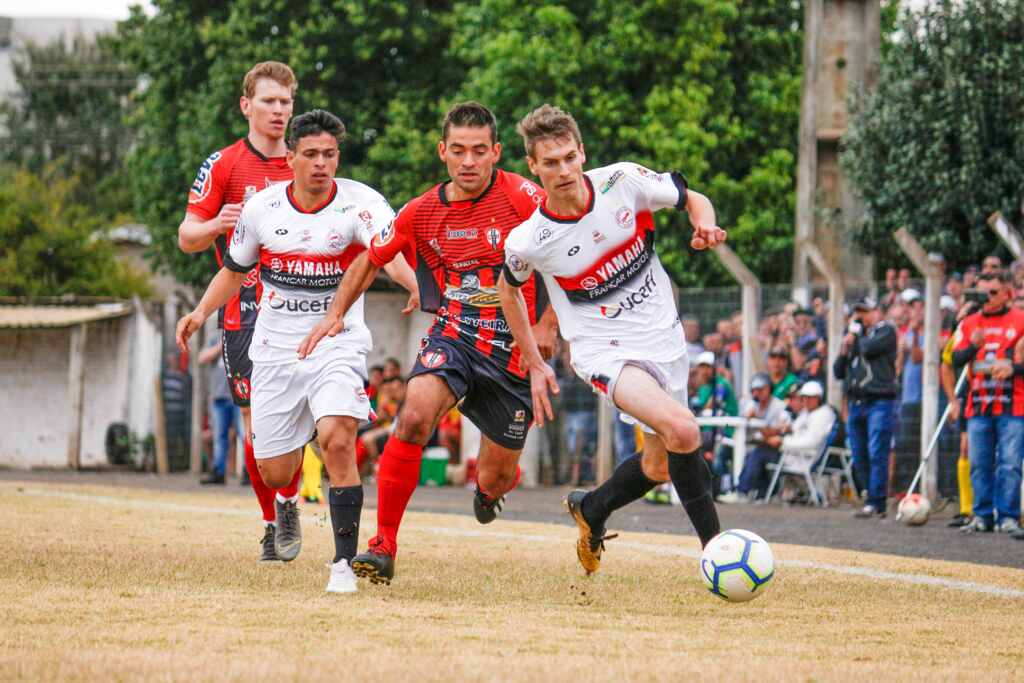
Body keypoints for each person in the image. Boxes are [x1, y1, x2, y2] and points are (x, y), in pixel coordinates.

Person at [298, 102, 558, 585]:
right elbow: (371, 258)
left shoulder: (526, 198)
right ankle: (383, 547)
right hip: (455, 334)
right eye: (458, 150)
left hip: (513, 349)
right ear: (443, 152)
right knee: (413, 416)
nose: (468, 161)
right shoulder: (422, 211)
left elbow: (569, 248)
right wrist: (334, 314)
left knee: (494, 475)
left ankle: (492, 488)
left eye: (480, 151)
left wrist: (547, 323)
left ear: (497, 153)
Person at [176, 109, 417, 593]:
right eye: (310, 154)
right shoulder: (261, 209)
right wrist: (200, 313)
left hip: (337, 341)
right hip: (275, 347)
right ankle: (287, 502)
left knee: (339, 439)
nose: (321, 163)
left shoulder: (362, 204)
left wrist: (417, 288)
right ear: (291, 159)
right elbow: (234, 269)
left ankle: (343, 566)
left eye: (329, 154)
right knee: (275, 468)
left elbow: (387, 255)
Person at [497, 103, 727, 575]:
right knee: (683, 430)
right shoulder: (529, 240)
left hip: (665, 339)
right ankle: (719, 553)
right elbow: (508, 288)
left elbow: (692, 197)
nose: (562, 170)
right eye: (550, 162)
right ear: (533, 167)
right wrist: (534, 359)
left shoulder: (621, 183)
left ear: (581, 153)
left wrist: (702, 222)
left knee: (661, 465)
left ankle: (593, 507)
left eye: (568, 157)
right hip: (604, 352)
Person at [178, 61, 300, 560]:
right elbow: (187, 236)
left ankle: (293, 497)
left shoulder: (304, 160)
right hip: (243, 312)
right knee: (256, 424)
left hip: (300, 304)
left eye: (286, 101)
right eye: (269, 101)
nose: (278, 110)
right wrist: (216, 224)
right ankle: (275, 521)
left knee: (310, 419)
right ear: (246, 105)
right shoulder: (224, 164)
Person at [951, 269, 1024, 534]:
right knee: (979, 463)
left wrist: (1013, 369)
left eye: (992, 292)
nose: (987, 298)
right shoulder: (970, 322)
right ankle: (982, 516)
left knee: (1010, 463)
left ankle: (1008, 516)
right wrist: (972, 346)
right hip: (978, 405)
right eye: (983, 293)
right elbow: (953, 360)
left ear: (1007, 293)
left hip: (1013, 405)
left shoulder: (1021, 320)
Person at [833, 296, 899, 519]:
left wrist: (856, 334)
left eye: (864, 311)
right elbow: (838, 371)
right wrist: (844, 349)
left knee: (877, 451)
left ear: (876, 312)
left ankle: (877, 502)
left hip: (879, 401)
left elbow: (869, 350)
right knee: (859, 453)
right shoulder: (854, 339)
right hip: (856, 403)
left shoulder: (886, 332)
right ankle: (869, 495)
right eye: (857, 312)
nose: (860, 316)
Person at [717, 373, 790, 504]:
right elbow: (742, 428)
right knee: (725, 452)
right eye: (755, 390)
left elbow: (779, 432)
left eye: (761, 390)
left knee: (756, 455)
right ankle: (726, 489)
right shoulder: (751, 404)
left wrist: (758, 421)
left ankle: (741, 492)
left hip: (777, 450)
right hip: (755, 444)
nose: (757, 393)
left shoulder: (779, 406)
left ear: (769, 389)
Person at [199, 338, 237, 485]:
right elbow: (202, 358)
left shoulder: (243, 331)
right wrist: (221, 345)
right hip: (219, 396)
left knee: (245, 435)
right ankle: (218, 473)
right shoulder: (214, 336)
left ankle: (249, 473)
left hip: (239, 395)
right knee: (219, 437)